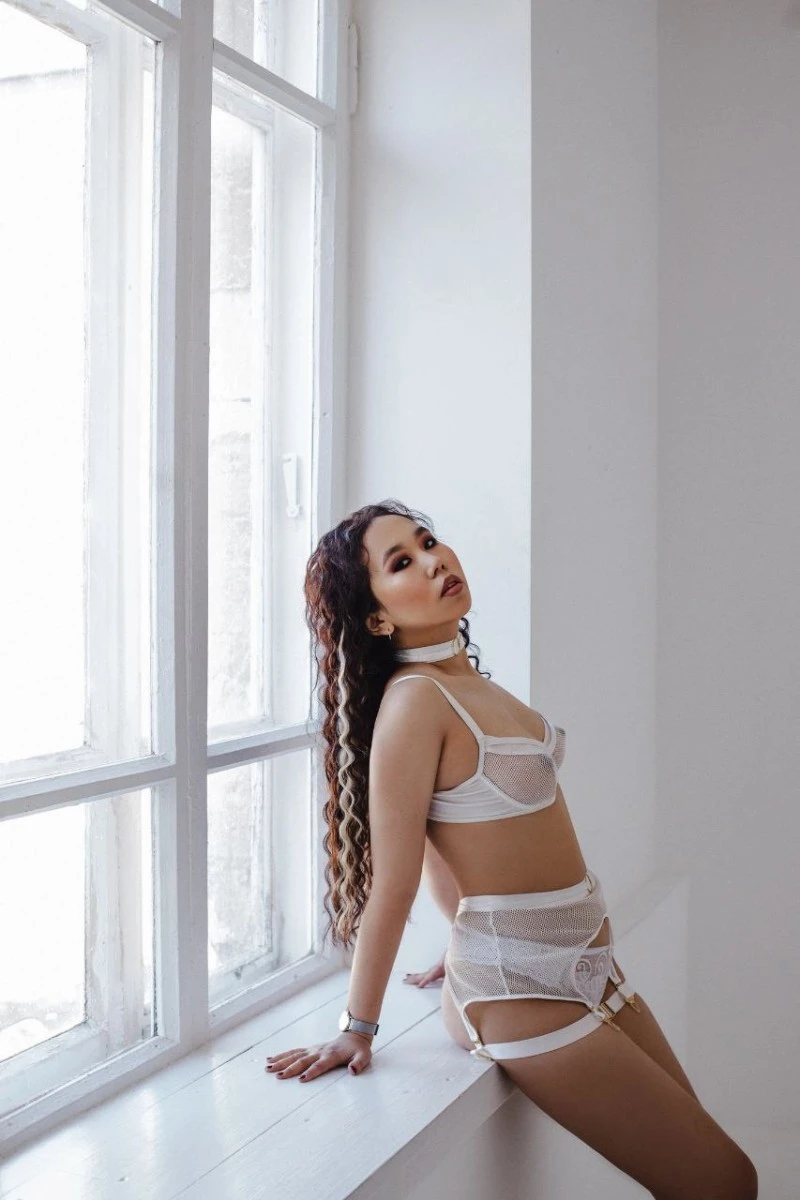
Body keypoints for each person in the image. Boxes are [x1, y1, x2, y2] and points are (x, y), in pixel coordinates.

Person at [265, 499, 758, 1199]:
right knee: (725, 1181)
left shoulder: (469, 684)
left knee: (709, 1176)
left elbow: (449, 831)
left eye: (428, 541)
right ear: (376, 619)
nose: (434, 560)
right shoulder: (415, 702)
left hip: (587, 961)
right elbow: (394, 881)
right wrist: (358, 1027)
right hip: (515, 986)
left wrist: (459, 925)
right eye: (402, 562)